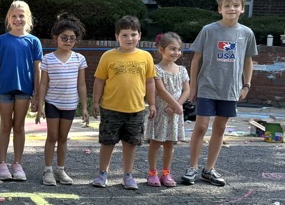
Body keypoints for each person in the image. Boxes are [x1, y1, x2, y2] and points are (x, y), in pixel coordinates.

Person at [181, 0, 257, 187]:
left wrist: (246, 85)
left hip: (230, 88)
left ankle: (209, 169)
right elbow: (196, 58)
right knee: (201, 126)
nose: (231, 9)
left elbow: (248, 61)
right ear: (219, 8)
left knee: (220, 127)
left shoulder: (246, 33)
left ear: (242, 9)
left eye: (235, 6)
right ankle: (192, 167)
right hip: (207, 86)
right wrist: (193, 85)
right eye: (227, 5)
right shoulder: (209, 30)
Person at [90, 16, 157, 190]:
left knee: (131, 143)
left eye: (133, 34)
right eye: (125, 35)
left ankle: (128, 175)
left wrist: (152, 103)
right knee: (107, 142)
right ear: (117, 37)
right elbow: (99, 80)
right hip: (111, 108)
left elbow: (150, 81)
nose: (129, 39)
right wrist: (95, 102)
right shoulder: (108, 56)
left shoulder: (146, 57)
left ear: (140, 35)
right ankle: (102, 173)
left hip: (136, 109)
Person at [0, 0, 43, 181]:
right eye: (14, 16)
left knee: (19, 126)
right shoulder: (1, 40)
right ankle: (2, 163)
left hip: (24, 90)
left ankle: (17, 163)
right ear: (8, 18)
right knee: (5, 125)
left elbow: (37, 70)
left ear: (27, 18)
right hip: (4, 89)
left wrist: (37, 94)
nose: (18, 19)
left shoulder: (33, 41)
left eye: (21, 16)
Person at [36, 13, 89, 185]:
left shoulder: (79, 59)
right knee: (52, 136)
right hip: (52, 103)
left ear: (76, 40)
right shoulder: (48, 59)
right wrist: (40, 105)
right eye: (64, 37)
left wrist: (85, 108)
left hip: (70, 104)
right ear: (55, 38)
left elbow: (81, 85)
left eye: (72, 38)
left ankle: (60, 169)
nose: (68, 41)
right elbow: (43, 84)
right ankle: (48, 170)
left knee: (63, 137)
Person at [145, 31, 190, 188]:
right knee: (156, 142)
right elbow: (161, 90)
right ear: (161, 50)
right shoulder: (156, 69)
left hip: (174, 113)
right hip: (161, 111)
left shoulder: (182, 70)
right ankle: (152, 172)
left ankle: (166, 172)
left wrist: (178, 105)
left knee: (170, 143)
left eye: (178, 49)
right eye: (172, 49)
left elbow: (186, 90)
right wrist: (176, 105)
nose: (176, 52)